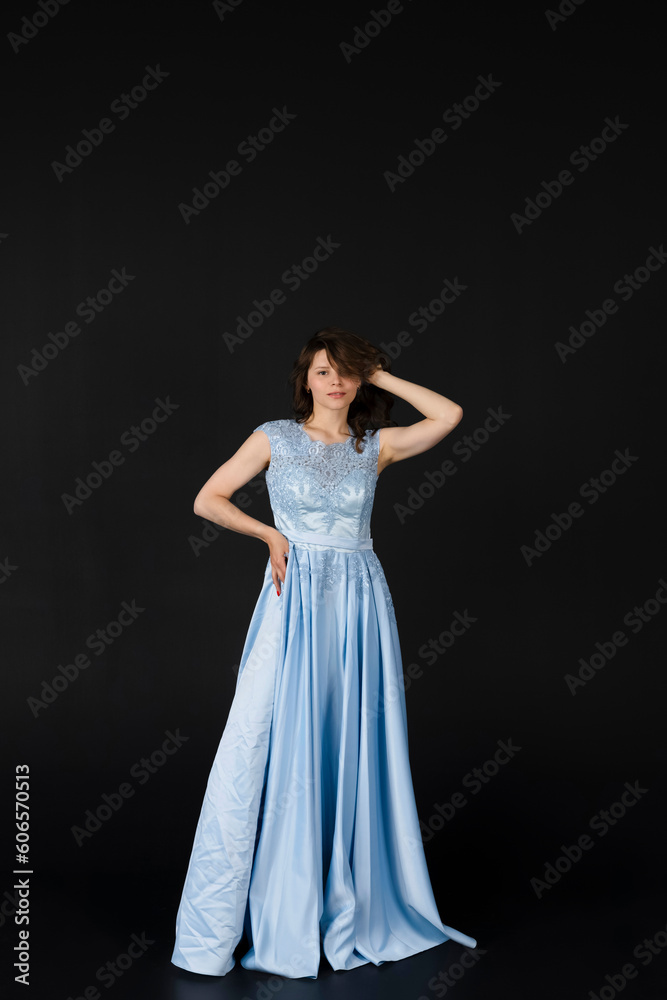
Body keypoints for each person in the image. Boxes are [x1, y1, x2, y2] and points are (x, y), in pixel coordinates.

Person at [171, 326, 477, 979]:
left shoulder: (375, 446)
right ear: (304, 380)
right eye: (321, 372)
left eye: (344, 373)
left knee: (349, 739)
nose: (333, 382)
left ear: (357, 380)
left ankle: (347, 895)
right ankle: (273, 906)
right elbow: (207, 499)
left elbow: (449, 415)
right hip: (296, 595)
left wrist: (379, 371)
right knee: (270, 737)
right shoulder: (274, 437)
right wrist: (268, 536)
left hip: (359, 605)